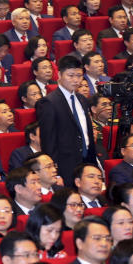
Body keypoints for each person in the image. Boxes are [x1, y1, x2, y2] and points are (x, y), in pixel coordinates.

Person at [37, 56, 97, 185]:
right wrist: (55, 172)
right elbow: (48, 141)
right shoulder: (49, 102)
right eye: (71, 75)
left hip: (86, 162)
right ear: (59, 74)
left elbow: (87, 134)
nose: (76, 80)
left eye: (79, 75)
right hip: (65, 166)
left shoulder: (82, 99)